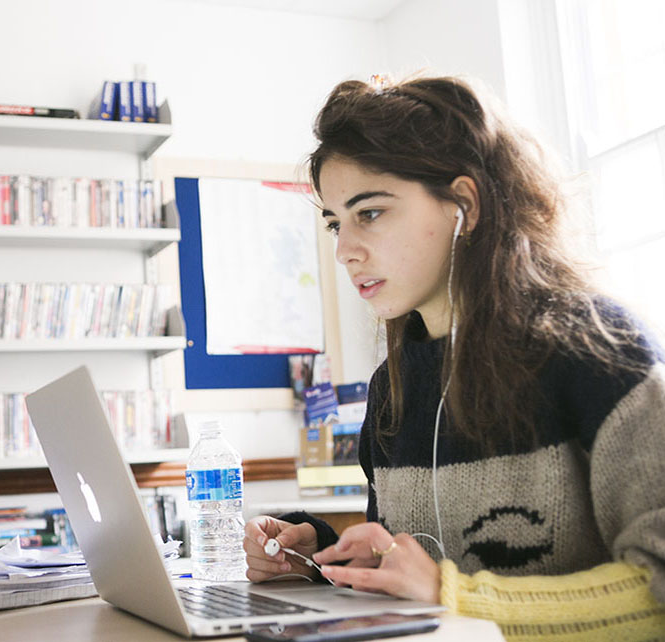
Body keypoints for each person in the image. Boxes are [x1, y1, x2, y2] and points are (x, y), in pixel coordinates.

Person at [244, 75, 665, 640]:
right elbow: (407, 577)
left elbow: (657, 591)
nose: (344, 251)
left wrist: (454, 595)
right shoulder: (391, 390)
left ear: (464, 203)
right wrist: (320, 552)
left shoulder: (600, 351)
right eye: (335, 223)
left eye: (369, 212)